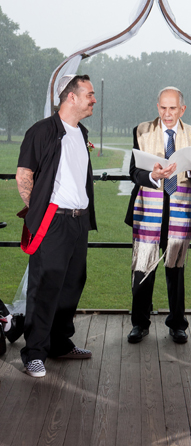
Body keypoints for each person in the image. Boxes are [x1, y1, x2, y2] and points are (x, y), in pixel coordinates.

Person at [15, 74, 97, 378]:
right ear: (71, 97)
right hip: (53, 221)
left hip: (79, 222)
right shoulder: (41, 131)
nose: (94, 99)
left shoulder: (80, 132)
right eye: (89, 94)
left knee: (72, 284)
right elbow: (24, 175)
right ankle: (34, 353)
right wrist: (37, 214)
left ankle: (60, 343)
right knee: (45, 285)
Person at [124, 87, 191, 344]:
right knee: (143, 267)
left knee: (176, 270)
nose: (167, 113)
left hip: (179, 209)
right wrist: (152, 176)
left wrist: (190, 170)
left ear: (182, 109)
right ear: (157, 106)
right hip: (148, 208)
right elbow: (134, 172)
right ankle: (139, 323)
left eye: (172, 108)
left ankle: (177, 324)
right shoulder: (142, 131)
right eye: (163, 107)